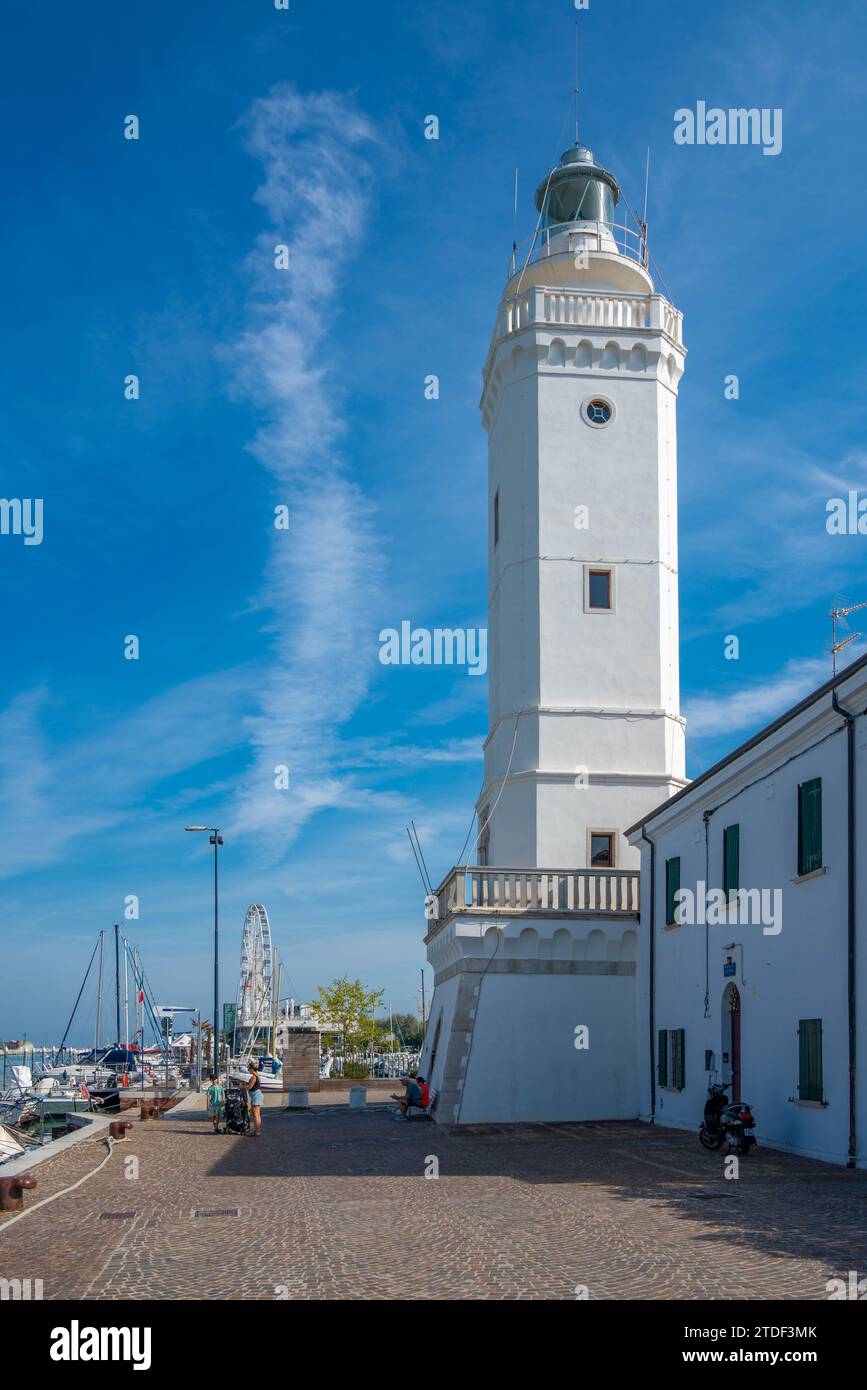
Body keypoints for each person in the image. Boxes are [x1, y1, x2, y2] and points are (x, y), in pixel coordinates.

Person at [247, 1061, 263, 1137]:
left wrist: (242, 1087)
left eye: (249, 1068)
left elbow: (250, 1087)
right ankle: (256, 1130)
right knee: (254, 1113)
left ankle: (257, 1131)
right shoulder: (256, 1075)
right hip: (255, 1095)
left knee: (256, 1114)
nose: (248, 1070)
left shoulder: (254, 1076)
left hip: (256, 1095)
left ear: (252, 1068)